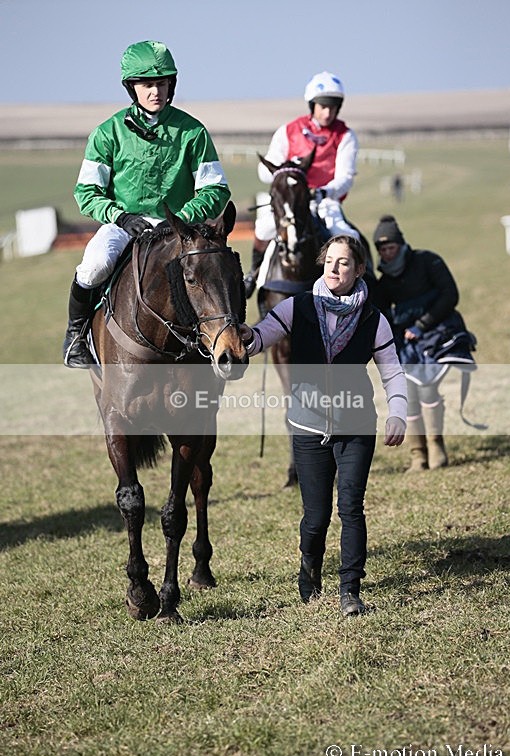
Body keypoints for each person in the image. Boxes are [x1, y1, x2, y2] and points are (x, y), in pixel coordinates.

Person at [240, 235, 407, 616]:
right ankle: (309, 569)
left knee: (351, 507)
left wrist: (398, 412)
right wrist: (244, 338)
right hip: (308, 426)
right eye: (329, 261)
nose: (334, 268)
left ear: (359, 269)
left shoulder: (373, 318)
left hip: (356, 426)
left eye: (344, 262)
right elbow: (263, 334)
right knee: (315, 518)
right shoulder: (299, 306)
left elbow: (393, 372)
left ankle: (350, 589)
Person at [63, 40, 231, 368]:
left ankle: (225, 335)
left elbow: (216, 190)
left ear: (172, 85)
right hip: (123, 224)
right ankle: (75, 336)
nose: (156, 91)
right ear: (132, 88)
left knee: (214, 271)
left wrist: (180, 220)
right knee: (95, 264)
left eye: (162, 83)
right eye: (147, 84)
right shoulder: (107, 133)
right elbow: (86, 191)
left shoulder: (193, 132)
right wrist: (120, 216)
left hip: (178, 228)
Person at [244, 71, 362, 298]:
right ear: (312, 105)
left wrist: (323, 191)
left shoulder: (346, 135)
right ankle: (253, 273)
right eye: (322, 106)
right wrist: (286, 177)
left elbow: (345, 177)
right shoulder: (288, 131)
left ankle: (361, 288)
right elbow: (265, 171)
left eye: (333, 107)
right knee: (263, 228)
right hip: (289, 202)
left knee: (348, 236)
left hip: (325, 202)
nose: (327, 112)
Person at [372, 215, 460, 471]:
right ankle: (417, 454)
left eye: (392, 247)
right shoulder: (384, 282)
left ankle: (436, 447)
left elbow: (450, 294)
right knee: (406, 394)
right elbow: (383, 313)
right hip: (405, 343)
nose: (388, 253)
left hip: (437, 333)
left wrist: (421, 324)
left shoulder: (427, 261)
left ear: (401, 244)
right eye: (383, 249)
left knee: (428, 388)